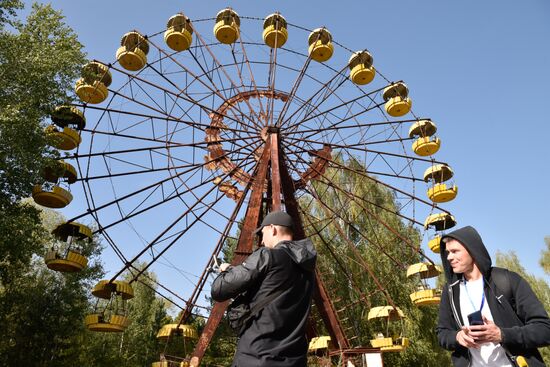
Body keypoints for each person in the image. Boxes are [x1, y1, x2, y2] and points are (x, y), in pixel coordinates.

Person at [211, 210, 317, 367]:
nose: (261, 241)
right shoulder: (308, 272)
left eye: (262, 233)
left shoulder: (267, 256)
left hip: (256, 358)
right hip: (295, 361)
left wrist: (225, 271)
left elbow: (219, 290)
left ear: (272, 229)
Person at [437, 225, 550, 366]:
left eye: (454, 251)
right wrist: (457, 337)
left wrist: (502, 334)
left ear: (472, 249)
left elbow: (544, 329)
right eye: (447, 252)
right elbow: (442, 334)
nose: (449, 257)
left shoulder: (508, 280)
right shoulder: (450, 291)